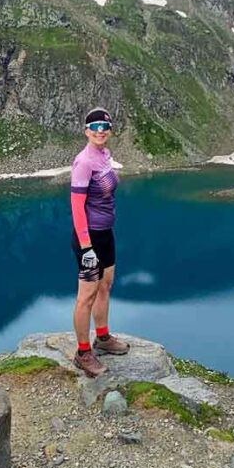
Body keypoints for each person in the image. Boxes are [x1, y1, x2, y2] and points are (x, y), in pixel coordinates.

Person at [69, 108, 130, 377]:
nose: (100, 130)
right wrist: (86, 246)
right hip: (89, 238)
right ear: (86, 131)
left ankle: (102, 338)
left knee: (105, 285)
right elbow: (77, 207)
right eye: (94, 126)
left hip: (106, 234)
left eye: (104, 126)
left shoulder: (104, 156)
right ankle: (83, 352)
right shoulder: (84, 162)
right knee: (86, 296)